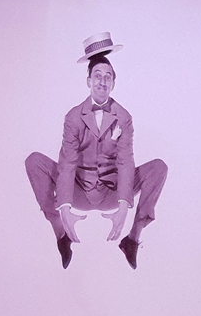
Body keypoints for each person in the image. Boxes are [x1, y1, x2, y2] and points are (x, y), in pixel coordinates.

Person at [25, 33, 168, 269]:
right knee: (34, 161)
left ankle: (132, 239)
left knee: (159, 167)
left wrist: (123, 206)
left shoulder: (124, 116)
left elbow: (125, 162)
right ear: (88, 81)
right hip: (78, 192)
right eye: (97, 76)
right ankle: (61, 234)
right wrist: (64, 207)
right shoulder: (73, 117)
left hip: (112, 193)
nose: (102, 82)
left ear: (114, 83)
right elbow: (67, 163)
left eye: (108, 77)